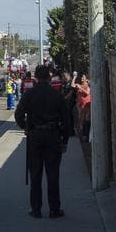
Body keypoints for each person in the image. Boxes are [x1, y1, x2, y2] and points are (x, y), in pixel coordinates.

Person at [15, 64, 71, 218]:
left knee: (35, 174)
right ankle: (54, 209)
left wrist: (25, 127)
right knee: (53, 174)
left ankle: (36, 209)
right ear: (49, 77)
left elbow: (18, 114)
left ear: (36, 78)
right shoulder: (56, 94)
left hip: (35, 136)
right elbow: (66, 121)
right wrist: (64, 140)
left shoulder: (29, 94)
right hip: (53, 135)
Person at [72, 72, 92, 143]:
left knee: (87, 118)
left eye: (83, 77)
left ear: (86, 79)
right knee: (81, 119)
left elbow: (87, 93)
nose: (82, 79)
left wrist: (81, 88)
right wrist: (74, 77)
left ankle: (86, 135)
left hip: (87, 104)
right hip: (80, 105)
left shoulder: (87, 85)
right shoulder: (79, 85)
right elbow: (72, 85)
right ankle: (82, 135)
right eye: (81, 78)